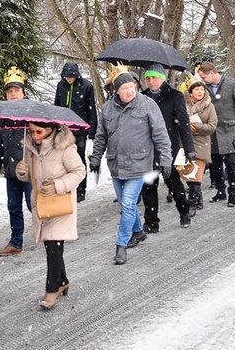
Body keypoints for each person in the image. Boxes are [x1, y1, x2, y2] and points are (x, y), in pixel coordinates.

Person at [89, 66, 172, 265]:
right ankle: (138, 231)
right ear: (116, 90)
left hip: (139, 164)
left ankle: (121, 245)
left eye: (132, 87)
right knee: (125, 204)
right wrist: (95, 157)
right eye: (124, 88)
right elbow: (101, 136)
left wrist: (166, 159)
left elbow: (161, 135)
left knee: (127, 205)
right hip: (116, 164)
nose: (129, 91)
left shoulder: (147, 105)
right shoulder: (108, 107)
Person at [14, 122, 84, 309]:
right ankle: (62, 281)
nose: (35, 135)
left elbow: (79, 172)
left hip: (59, 203)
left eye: (39, 131)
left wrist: (57, 185)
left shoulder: (64, 147)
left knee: (53, 245)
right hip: (42, 205)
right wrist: (22, 173)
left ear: (51, 130)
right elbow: (32, 176)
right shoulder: (31, 149)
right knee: (51, 245)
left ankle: (52, 288)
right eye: (31, 131)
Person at [140, 62, 196, 232]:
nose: (151, 81)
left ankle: (184, 211)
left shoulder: (174, 96)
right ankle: (151, 222)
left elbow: (183, 124)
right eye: (148, 78)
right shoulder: (141, 98)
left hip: (167, 148)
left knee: (173, 184)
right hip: (147, 149)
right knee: (148, 186)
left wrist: (189, 147)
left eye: (154, 77)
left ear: (162, 78)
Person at [0, 67, 32, 256]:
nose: (13, 93)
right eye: (9, 91)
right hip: (11, 171)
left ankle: (53, 234)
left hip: (31, 170)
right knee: (13, 207)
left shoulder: (33, 112)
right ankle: (16, 242)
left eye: (16, 90)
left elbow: (45, 139)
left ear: (23, 91)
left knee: (35, 206)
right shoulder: (3, 117)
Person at [197, 62, 235, 207]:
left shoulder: (232, 84)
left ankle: (232, 193)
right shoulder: (204, 88)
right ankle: (220, 191)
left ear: (212, 73)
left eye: (204, 77)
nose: (203, 80)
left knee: (231, 163)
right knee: (215, 164)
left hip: (230, 131)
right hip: (212, 132)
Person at [53, 62, 98, 202]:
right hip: (64, 128)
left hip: (80, 127)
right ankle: (67, 185)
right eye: (67, 76)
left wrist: (92, 130)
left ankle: (81, 188)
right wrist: (54, 125)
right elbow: (57, 106)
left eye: (72, 76)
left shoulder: (86, 86)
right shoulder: (61, 86)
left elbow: (91, 109)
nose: (69, 79)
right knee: (62, 158)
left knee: (78, 158)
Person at [183, 81, 217, 217]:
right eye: (197, 89)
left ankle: (192, 204)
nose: (200, 92)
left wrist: (197, 127)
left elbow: (212, 126)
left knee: (196, 175)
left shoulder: (209, 106)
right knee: (189, 174)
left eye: (202, 89)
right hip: (185, 143)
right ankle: (199, 199)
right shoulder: (183, 104)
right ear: (191, 92)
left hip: (201, 142)